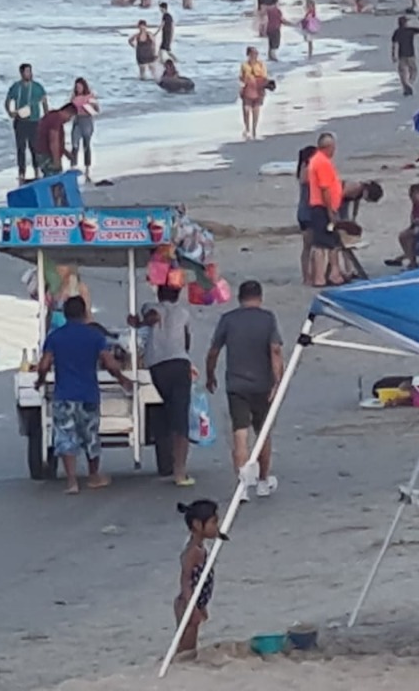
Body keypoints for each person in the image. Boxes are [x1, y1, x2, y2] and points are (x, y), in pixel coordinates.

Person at [33, 295, 132, 493]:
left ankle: (71, 481)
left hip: (64, 394)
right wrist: (123, 379)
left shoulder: (55, 337)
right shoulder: (95, 336)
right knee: (91, 436)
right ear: (85, 313)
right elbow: (109, 364)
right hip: (88, 394)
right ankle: (94, 476)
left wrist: (40, 381)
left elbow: (44, 364)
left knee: (65, 436)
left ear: (65, 314)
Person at [205, 281, 284, 502]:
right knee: (263, 433)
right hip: (263, 384)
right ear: (260, 297)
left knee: (240, 434)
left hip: (236, 384)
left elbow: (213, 351)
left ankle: (243, 488)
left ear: (240, 297)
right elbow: (275, 350)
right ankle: (262, 482)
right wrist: (278, 381)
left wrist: (210, 375)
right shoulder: (268, 319)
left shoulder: (228, 319)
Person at [129, 284, 194, 486]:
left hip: (158, 367)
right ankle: (180, 471)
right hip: (179, 364)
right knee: (180, 418)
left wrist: (139, 323)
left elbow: (152, 316)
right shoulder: (183, 313)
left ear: (159, 293)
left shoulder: (151, 306)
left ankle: (170, 463)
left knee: (166, 413)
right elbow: (187, 341)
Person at [173, 499, 228, 655]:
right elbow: (186, 581)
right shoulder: (193, 552)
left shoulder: (201, 547)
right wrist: (192, 607)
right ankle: (179, 660)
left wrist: (201, 605)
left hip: (195, 602)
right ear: (197, 525)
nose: (216, 527)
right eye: (213, 522)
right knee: (187, 646)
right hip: (187, 603)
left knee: (191, 640)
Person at [306, 132, 343, 286]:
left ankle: (326, 275)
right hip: (322, 207)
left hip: (318, 206)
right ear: (328, 147)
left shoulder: (316, 160)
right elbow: (325, 188)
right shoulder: (322, 163)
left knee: (324, 242)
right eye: (333, 147)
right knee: (324, 243)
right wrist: (330, 210)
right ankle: (321, 277)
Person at [4, 64, 47, 183]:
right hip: (20, 120)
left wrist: (46, 117)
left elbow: (44, 102)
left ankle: (37, 169)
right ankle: (21, 172)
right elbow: (7, 101)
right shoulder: (16, 87)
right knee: (21, 147)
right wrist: (10, 112)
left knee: (35, 147)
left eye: (30, 71)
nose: (29, 74)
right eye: (27, 72)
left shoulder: (37, 87)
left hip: (34, 120)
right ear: (21, 73)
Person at [69, 77, 99, 182]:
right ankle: (73, 167)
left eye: (80, 87)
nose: (78, 89)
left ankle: (87, 170)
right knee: (75, 145)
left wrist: (91, 106)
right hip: (77, 120)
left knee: (86, 145)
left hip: (87, 120)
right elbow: (70, 109)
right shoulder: (74, 97)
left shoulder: (90, 96)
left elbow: (97, 109)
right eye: (77, 87)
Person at [34, 103, 76, 177]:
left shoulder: (52, 116)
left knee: (50, 177)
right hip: (46, 154)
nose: (69, 120)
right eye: (70, 117)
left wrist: (65, 152)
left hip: (42, 152)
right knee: (55, 177)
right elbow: (53, 140)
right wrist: (56, 160)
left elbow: (57, 141)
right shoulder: (56, 119)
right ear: (67, 112)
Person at [295, 145, 318, 281]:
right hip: (307, 212)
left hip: (306, 211)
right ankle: (308, 275)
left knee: (309, 246)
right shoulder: (306, 171)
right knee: (309, 245)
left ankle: (310, 275)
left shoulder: (304, 170)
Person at [391, 14, 419, 96]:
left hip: (401, 54)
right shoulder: (410, 30)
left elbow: (394, 45)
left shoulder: (397, 32)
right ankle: (410, 83)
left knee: (402, 72)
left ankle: (406, 85)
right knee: (413, 70)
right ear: (406, 23)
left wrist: (393, 55)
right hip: (411, 53)